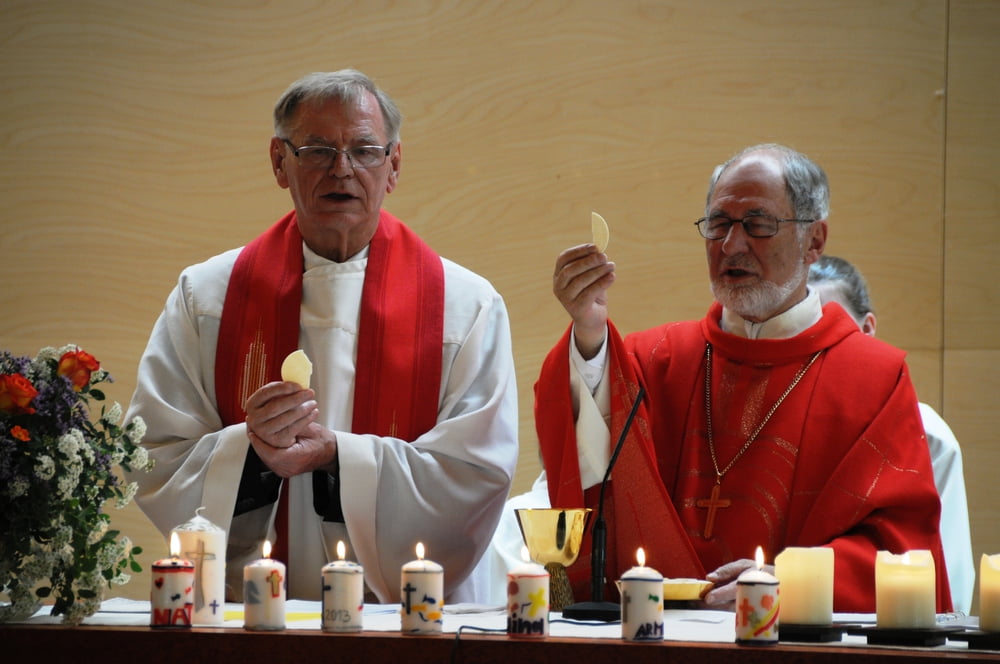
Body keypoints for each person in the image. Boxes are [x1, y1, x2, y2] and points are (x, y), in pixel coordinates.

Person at [124, 70, 518, 604]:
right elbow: (155, 454)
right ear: (278, 161)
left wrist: (336, 457)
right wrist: (252, 453)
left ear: (394, 165)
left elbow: (475, 473)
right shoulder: (207, 297)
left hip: (402, 623)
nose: (342, 169)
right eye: (316, 150)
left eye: (364, 150)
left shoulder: (465, 306)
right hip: (252, 621)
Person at [535, 143, 951, 612]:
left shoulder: (874, 378)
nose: (731, 246)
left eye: (757, 224)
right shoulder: (654, 359)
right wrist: (590, 336)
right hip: (658, 636)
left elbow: (901, 549)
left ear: (814, 241)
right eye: (718, 224)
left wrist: (791, 582)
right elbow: (590, 473)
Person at [809, 254, 974, 614]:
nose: (816, 344)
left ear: (868, 328)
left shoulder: (926, 433)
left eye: (832, 326)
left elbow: (948, 580)